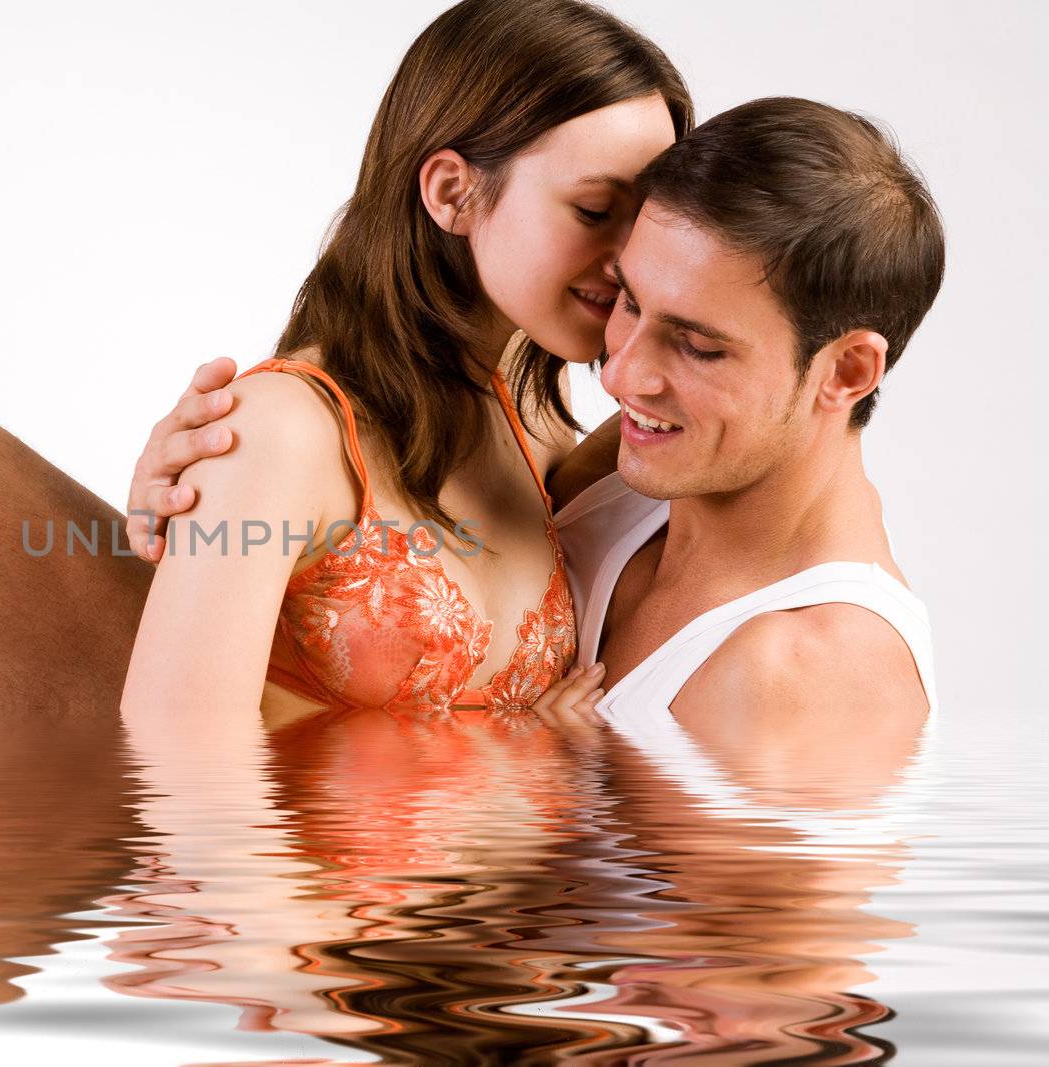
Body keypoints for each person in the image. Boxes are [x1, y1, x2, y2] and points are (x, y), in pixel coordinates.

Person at [0, 0, 691, 731]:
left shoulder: (546, 433)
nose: (630, 257)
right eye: (595, 209)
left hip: (462, 934)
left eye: (648, 219)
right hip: (282, 922)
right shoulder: (280, 432)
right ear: (452, 192)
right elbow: (189, 775)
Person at [138, 95, 943, 787]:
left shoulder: (817, 673)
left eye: (698, 346)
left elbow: (671, 962)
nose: (622, 376)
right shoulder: (624, 470)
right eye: (628, 300)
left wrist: (550, 766)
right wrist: (206, 497)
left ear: (847, 370)